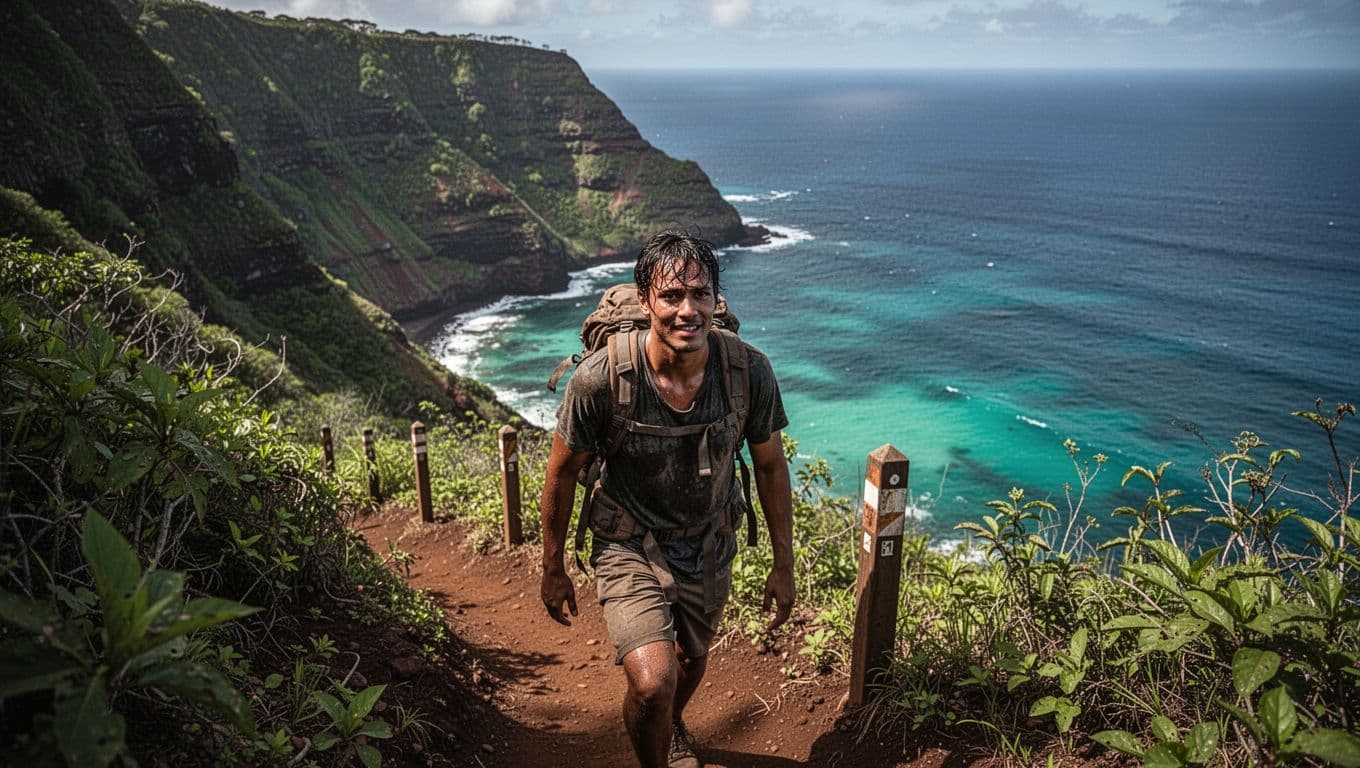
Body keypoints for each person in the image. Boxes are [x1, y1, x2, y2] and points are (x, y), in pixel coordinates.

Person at [539, 230, 795, 768]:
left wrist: (783, 563)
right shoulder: (601, 380)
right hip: (627, 541)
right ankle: (656, 743)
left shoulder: (748, 372)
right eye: (672, 296)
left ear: (716, 300)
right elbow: (562, 474)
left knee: (690, 662)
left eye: (701, 295)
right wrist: (552, 565)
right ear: (644, 300)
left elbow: (771, 466)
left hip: (709, 541)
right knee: (654, 682)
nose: (688, 310)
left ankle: (667, 724)